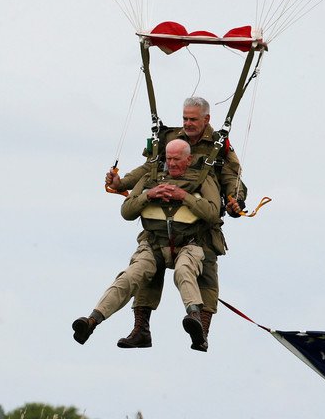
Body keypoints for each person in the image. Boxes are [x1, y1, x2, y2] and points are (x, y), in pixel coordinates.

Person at [105, 96, 247, 351]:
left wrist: (235, 201)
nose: (188, 123)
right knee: (147, 269)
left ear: (206, 119)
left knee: (205, 275)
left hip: (201, 220)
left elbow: (232, 178)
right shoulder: (169, 139)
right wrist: (122, 183)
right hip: (163, 219)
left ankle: (201, 333)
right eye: (185, 118)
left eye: (193, 119)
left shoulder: (219, 145)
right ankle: (140, 330)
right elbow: (149, 168)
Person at [73, 139, 222, 350]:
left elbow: (213, 213)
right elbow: (127, 211)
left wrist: (184, 196)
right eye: (168, 159)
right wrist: (149, 195)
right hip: (154, 243)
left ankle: (194, 317)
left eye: (177, 159)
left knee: (184, 271)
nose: (172, 163)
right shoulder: (150, 178)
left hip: (189, 243)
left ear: (189, 159)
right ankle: (91, 321)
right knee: (131, 275)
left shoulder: (203, 179)